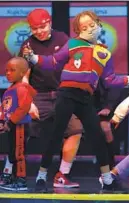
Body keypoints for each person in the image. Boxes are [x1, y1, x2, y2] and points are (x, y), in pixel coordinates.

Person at [23, 10, 129, 192]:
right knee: (56, 135)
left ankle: (107, 178)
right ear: (78, 31)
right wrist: (33, 58)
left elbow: (110, 80)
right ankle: (41, 176)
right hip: (66, 94)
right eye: (83, 27)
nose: (89, 29)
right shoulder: (72, 44)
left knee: (98, 137)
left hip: (85, 98)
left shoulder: (104, 53)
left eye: (92, 25)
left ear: (99, 25)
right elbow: (53, 61)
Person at [0, 9, 84, 189]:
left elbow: (74, 62)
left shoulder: (62, 39)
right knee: (22, 130)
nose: (39, 31)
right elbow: (24, 74)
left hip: (62, 94)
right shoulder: (27, 45)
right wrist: (28, 102)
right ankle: (8, 171)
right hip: (38, 95)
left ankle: (61, 175)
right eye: (34, 28)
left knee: (75, 129)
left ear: (50, 23)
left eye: (42, 26)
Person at [0, 57, 36, 191]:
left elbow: (24, 106)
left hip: (19, 126)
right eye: (6, 70)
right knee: (12, 153)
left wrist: (12, 121)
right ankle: (12, 177)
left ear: (22, 73)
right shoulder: (10, 89)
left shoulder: (22, 88)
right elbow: (4, 108)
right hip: (11, 125)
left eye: (12, 70)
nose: (8, 73)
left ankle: (21, 180)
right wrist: (3, 121)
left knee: (19, 153)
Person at [94, 78, 122, 169]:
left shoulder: (104, 74)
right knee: (70, 131)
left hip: (101, 108)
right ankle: (64, 172)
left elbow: (114, 89)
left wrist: (108, 107)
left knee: (106, 128)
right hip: (81, 106)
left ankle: (110, 164)